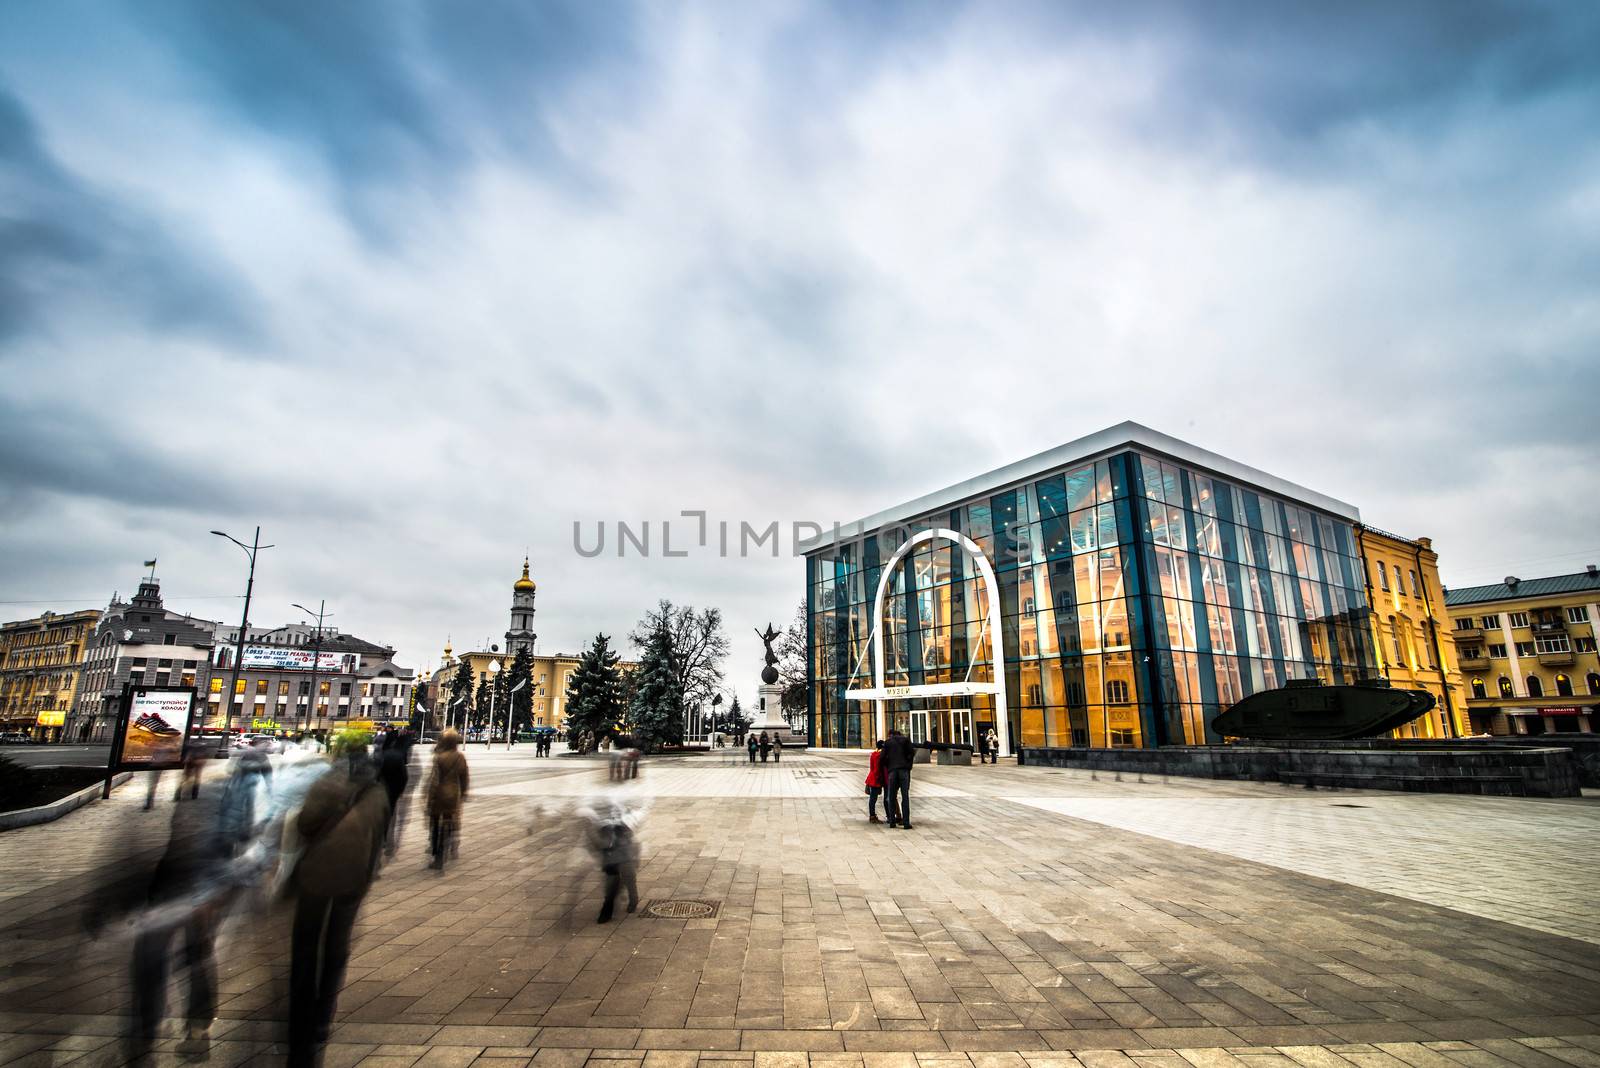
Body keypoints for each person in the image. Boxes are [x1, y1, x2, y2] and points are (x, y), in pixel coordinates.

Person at [287, 740, 390, 1068]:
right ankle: (322, 1016)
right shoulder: (377, 793)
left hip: (316, 875)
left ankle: (301, 1021)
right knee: (336, 946)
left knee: (305, 947)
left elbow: (304, 825)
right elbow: (380, 836)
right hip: (353, 878)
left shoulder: (327, 784)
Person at [579, 792, 643, 924]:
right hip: (611, 853)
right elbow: (597, 842)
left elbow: (630, 828)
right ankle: (608, 910)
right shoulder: (596, 820)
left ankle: (631, 899)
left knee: (628, 876)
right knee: (613, 883)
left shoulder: (620, 815)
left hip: (623, 849)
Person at [425, 728, 470, 870]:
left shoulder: (439, 757)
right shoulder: (460, 757)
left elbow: (434, 780)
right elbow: (464, 778)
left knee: (435, 823)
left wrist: (429, 798)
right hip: (453, 794)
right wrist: (463, 793)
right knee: (449, 822)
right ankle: (448, 847)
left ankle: (436, 852)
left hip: (439, 794)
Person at [378, 729, 411, 857]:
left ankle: (381, 838)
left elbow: (375, 773)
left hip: (381, 790)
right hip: (393, 792)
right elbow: (404, 776)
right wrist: (400, 790)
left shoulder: (381, 755)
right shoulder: (398, 757)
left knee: (381, 815)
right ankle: (388, 840)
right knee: (391, 816)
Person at [881, 727, 915, 830]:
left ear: (891, 735)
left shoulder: (887, 743)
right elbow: (912, 753)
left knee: (891, 797)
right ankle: (906, 823)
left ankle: (892, 822)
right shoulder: (906, 740)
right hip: (904, 770)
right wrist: (908, 766)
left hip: (892, 771)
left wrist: (889, 766)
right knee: (905, 797)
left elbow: (882, 758)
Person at [865, 740, 885, 823]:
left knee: (872, 799)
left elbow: (872, 767)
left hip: (871, 777)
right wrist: (879, 779)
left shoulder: (873, 754)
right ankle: (872, 816)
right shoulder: (879, 755)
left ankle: (872, 815)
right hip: (875, 779)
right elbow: (877, 769)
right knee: (873, 799)